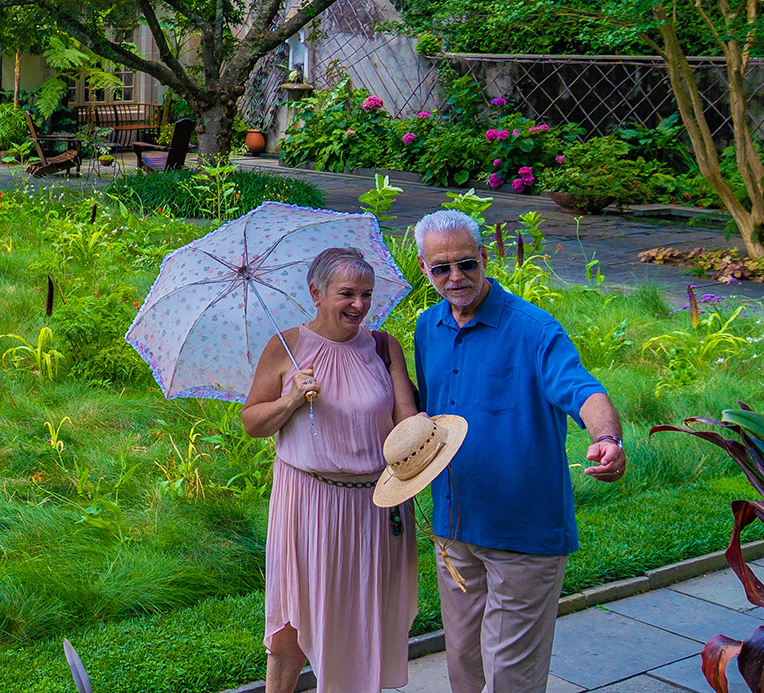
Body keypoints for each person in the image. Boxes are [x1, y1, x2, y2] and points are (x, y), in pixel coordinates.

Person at [412, 209, 626, 693]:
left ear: (485, 258)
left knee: (511, 675)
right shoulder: (428, 327)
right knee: (464, 662)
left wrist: (606, 439)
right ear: (425, 269)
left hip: (521, 530)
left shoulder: (532, 327)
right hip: (454, 525)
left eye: (466, 263)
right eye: (441, 268)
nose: (456, 277)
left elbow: (583, 390)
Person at [243, 247, 422, 692]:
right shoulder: (287, 347)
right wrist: (289, 400)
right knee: (291, 626)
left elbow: (407, 421)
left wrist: (427, 452)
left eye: (366, 294)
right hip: (307, 501)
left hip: (377, 504)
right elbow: (252, 423)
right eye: (346, 294)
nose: (359, 305)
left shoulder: (383, 346)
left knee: (365, 619)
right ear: (316, 293)